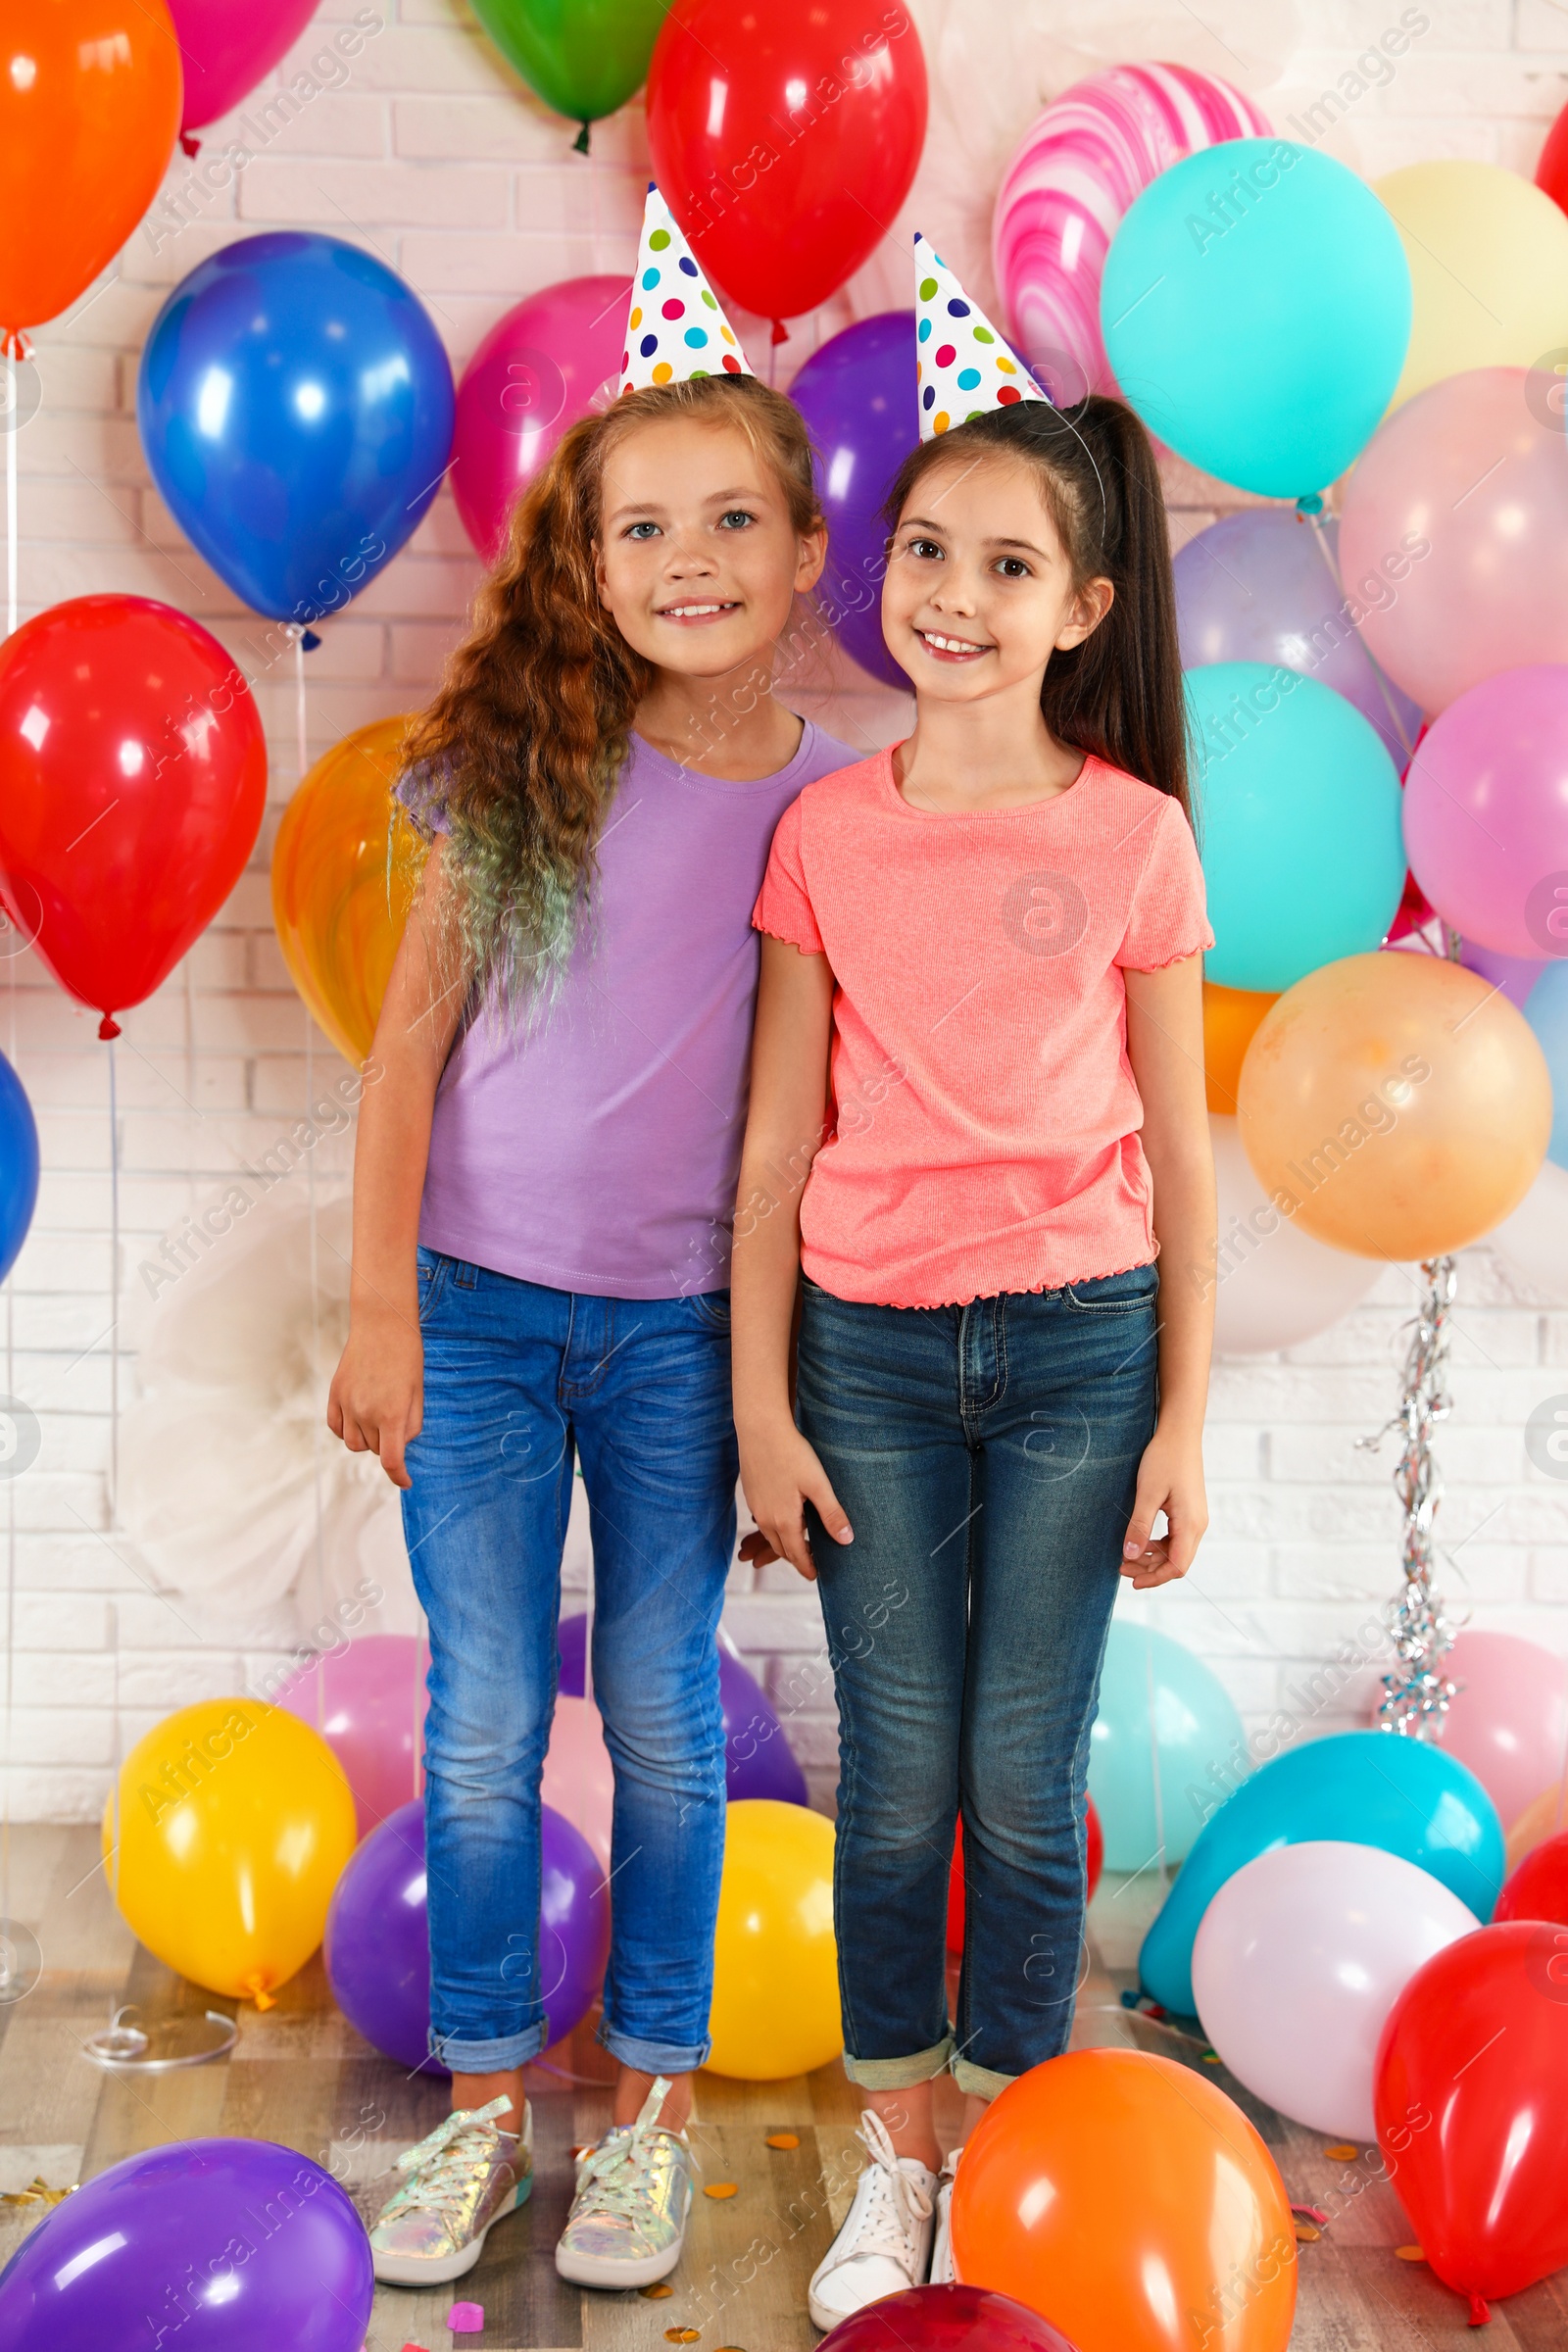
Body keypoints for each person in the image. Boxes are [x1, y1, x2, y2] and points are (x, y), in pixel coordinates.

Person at [325, 187, 856, 2295]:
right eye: (641, 527)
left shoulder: (825, 807)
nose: (687, 564)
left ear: (806, 556)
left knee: (652, 1708)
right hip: (464, 1309)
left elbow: (805, 1138)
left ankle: (638, 2115)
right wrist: (378, 1304)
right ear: (581, 557)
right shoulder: (506, 766)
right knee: (474, 1717)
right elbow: (401, 1066)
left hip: (669, 1340)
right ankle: (476, 2111)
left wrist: (772, 1389)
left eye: (731, 525)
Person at [730, 240, 1216, 2331]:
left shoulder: (1129, 839)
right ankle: (895, 2156)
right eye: (925, 548)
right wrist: (758, 1405)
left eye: (1004, 566)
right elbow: (767, 1146)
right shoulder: (825, 829)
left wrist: (1182, 1411)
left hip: (1082, 1349)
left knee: (1026, 1783)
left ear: (1079, 610)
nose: (950, 594)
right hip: (861, 1355)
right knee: (894, 1777)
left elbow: (1181, 1153)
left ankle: (1011, 2139)